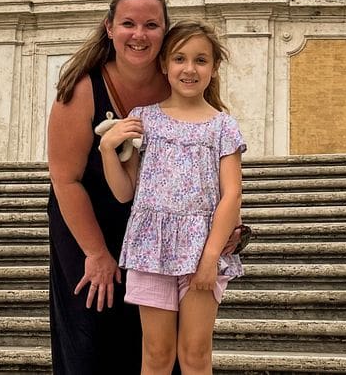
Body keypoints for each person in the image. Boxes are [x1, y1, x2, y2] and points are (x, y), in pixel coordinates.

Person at [99, 21, 245, 375]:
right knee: (156, 355)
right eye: (179, 59)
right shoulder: (143, 119)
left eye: (200, 60)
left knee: (196, 354)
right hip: (151, 247)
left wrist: (210, 257)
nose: (189, 69)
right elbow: (125, 192)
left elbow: (232, 194)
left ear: (214, 68)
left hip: (202, 249)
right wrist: (106, 148)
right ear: (164, 64)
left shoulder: (222, 126)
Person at [47, 0, 174, 374]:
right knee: (93, 335)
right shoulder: (81, 88)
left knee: (156, 342)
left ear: (165, 29)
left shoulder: (181, 79)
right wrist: (97, 254)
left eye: (151, 25)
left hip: (155, 225)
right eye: (128, 24)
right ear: (109, 28)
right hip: (89, 221)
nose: (139, 35)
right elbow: (65, 180)